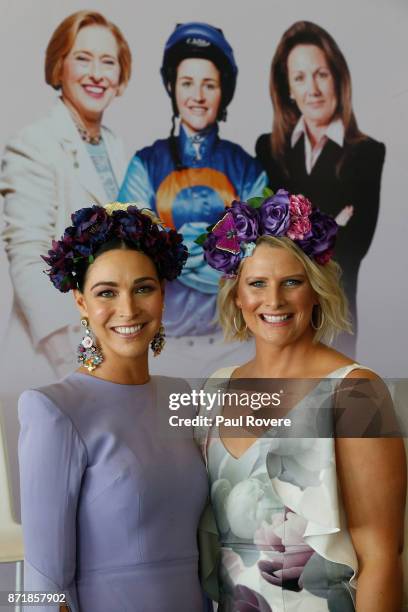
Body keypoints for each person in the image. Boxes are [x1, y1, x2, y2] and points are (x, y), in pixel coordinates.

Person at [197, 191, 406, 611]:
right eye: (257, 284)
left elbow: (382, 556)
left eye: (292, 282)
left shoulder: (355, 392)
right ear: (237, 295)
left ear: (316, 291)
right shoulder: (215, 388)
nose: (273, 301)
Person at [18, 203, 209, 612]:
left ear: (163, 294)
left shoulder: (184, 399)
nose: (128, 309)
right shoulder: (52, 410)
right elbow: (43, 582)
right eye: (106, 292)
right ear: (81, 302)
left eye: (144, 288)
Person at [118, 22, 267, 377]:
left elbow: (265, 249)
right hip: (164, 347)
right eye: (187, 83)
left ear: (223, 91)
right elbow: (130, 249)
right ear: (171, 86)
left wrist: (196, 246)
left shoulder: (247, 167)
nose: (197, 96)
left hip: (237, 343)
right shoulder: (145, 163)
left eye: (209, 84)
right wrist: (215, 248)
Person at [0, 10, 131, 385]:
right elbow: (29, 260)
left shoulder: (117, 148)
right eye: (82, 58)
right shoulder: (34, 144)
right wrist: (79, 362)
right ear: (59, 67)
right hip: (56, 361)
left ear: (120, 75)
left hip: (113, 350)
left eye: (108, 61)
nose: (96, 73)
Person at [255, 20, 386, 356]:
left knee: (334, 405)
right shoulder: (269, 151)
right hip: (276, 318)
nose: (312, 88)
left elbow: (353, 248)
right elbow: (264, 242)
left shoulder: (367, 153)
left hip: (335, 320)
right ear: (288, 88)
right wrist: (331, 225)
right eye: (300, 77)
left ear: (337, 79)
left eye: (321, 74)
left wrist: (294, 232)